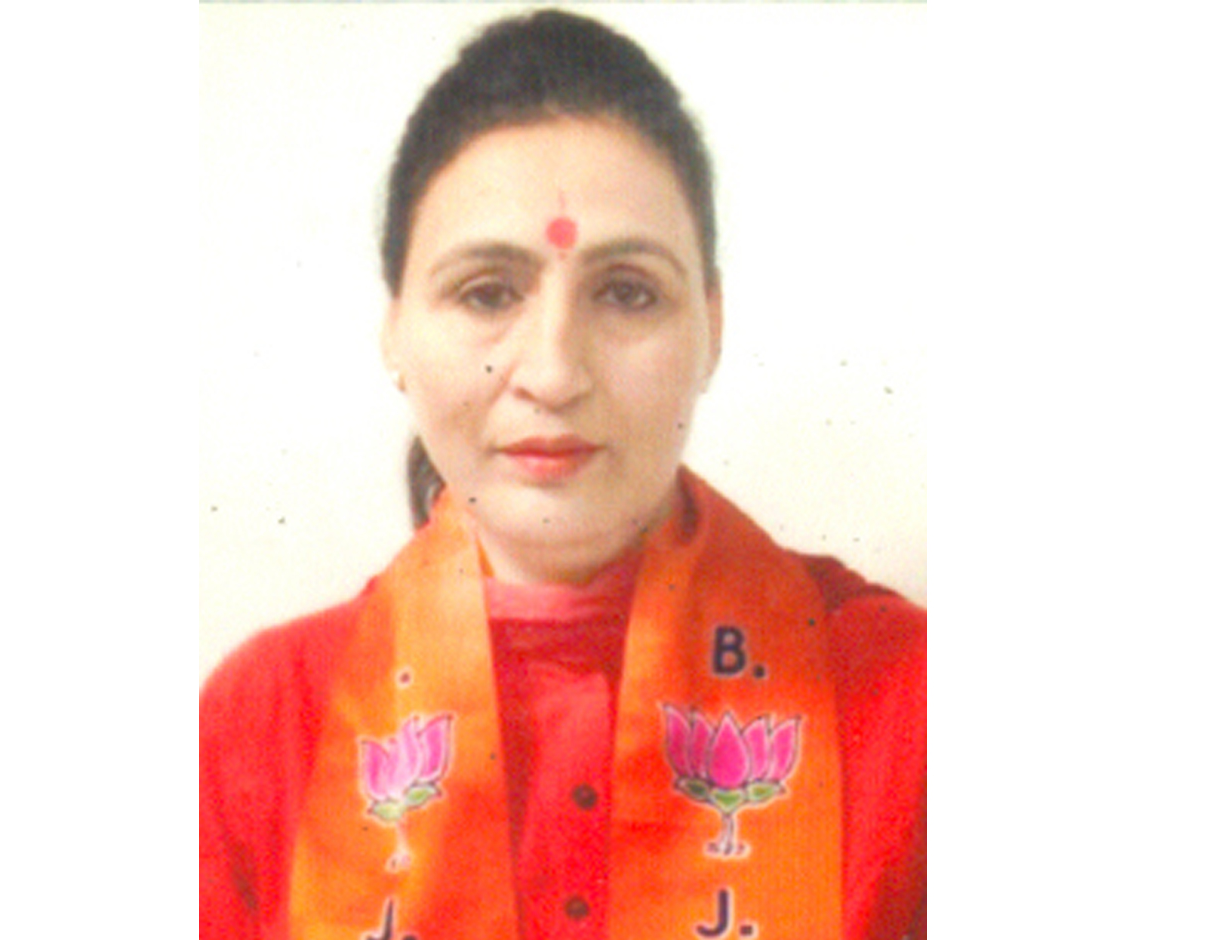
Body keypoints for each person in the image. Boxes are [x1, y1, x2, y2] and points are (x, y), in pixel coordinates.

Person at [200, 9, 924, 940]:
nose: (552, 373)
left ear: (711, 326)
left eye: (627, 292)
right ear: (395, 330)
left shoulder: (908, 705)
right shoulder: (263, 723)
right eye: (486, 292)